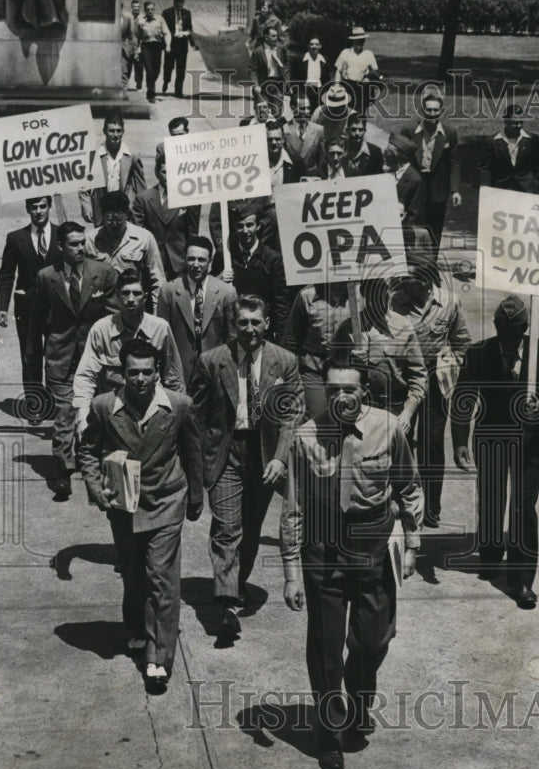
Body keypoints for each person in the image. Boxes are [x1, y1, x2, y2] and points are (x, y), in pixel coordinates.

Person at [281, 355, 423, 769]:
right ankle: (329, 735)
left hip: (373, 544)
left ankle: (358, 700)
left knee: (372, 641)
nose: (341, 396)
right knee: (326, 649)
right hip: (324, 548)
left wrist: (412, 542)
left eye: (349, 388)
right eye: (332, 389)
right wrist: (291, 573)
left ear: (365, 391)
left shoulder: (389, 426)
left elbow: (408, 483)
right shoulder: (306, 436)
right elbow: (294, 507)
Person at [79, 337, 204, 688]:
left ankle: (157, 659)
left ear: (158, 374)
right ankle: (136, 629)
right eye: (133, 372)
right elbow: (87, 450)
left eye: (147, 372)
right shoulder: (105, 406)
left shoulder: (178, 406)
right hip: (124, 505)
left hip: (167, 500)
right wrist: (94, 487)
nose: (140, 379)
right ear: (122, 373)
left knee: (161, 578)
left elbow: (193, 451)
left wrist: (196, 495)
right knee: (134, 576)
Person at [189, 295, 304, 641]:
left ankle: (236, 584)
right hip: (226, 452)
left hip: (264, 452)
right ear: (232, 324)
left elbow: (292, 415)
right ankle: (226, 604)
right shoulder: (212, 361)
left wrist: (279, 457)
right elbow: (196, 413)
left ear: (267, 324)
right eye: (243, 322)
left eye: (256, 322)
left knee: (251, 529)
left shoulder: (284, 361)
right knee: (227, 527)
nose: (249, 329)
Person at [451, 294, 539, 608]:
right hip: (490, 439)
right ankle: (490, 556)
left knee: (522, 508)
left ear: (525, 328)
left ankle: (521, 581)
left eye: (514, 333)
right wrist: (460, 441)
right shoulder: (479, 353)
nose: (507, 339)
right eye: (502, 331)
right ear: (496, 326)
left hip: (530, 443)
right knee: (491, 499)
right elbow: (463, 396)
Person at [27, 222, 117, 501]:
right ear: (60, 248)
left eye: (82, 243)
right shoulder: (46, 277)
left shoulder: (103, 272)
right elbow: (37, 320)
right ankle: (63, 471)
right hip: (61, 356)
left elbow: (116, 314)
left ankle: (104, 467)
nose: (81, 248)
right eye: (74, 244)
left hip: (96, 357)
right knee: (65, 416)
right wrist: (33, 355)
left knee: (99, 413)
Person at [387, 257, 471, 528]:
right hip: (405, 375)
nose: (402, 283)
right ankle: (404, 500)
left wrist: (452, 366)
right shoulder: (394, 300)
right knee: (401, 437)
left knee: (432, 441)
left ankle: (432, 506)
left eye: (408, 278)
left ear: (425, 282)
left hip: (436, 377)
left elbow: (461, 342)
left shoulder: (449, 302)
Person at [73, 267, 185, 436]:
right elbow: (85, 376)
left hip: (152, 409)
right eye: (125, 293)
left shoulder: (160, 328)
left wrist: (177, 417)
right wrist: (82, 418)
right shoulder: (101, 330)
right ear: (117, 297)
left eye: (136, 293)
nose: (131, 299)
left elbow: (173, 376)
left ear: (145, 297)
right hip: (113, 411)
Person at [332, 276, 427, 436]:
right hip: (359, 408)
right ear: (364, 293)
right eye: (374, 292)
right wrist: (349, 362)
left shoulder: (404, 326)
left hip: (395, 408)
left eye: (384, 291)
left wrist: (408, 412)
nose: (380, 298)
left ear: (390, 292)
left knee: (398, 459)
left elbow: (418, 376)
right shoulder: (348, 327)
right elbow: (332, 369)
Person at [0, 196, 61, 424]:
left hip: (57, 307)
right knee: (30, 356)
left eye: (43, 206)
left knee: (57, 355)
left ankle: (54, 402)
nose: (39, 211)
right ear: (27, 209)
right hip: (28, 307)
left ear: (49, 207)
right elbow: (6, 274)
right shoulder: (16, 238)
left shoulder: (62, 234)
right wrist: (2, 307)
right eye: (34, 207)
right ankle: (35, 405)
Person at [156, 237, 238, 386]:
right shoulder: (169, 291)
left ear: (210, 261)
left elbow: (231, 338)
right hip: (179, 374)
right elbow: (161, 338)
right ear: (184, 260)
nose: (196, 265)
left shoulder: (226, 292)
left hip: (215, 372)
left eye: (201, 260)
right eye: (191, 259)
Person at [398, 90, 462, 255]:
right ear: (422, 111)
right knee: (413, 225)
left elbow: (454, 162)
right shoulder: (409, 131)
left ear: (441, 112)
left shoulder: (449, 133)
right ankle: (412, 263)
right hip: (415, 185)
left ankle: (430, 264)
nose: (432, 114)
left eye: (436, 110)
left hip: (438, 187)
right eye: (429, 110)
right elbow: (401, 160)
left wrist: (455, 190)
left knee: (434, 228)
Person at [85, 190, 165, 314]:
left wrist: (157, 312)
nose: (114, 225)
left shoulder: (144, 238)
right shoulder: (90, 239)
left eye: (118, 220)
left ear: (127, 214)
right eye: (109, 220)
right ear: (102, 214)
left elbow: (157, 278)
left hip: (134, 306)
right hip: (102, 310)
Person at [132, 144, 202, 282]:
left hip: (179, 261)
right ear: (157, 173)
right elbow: (137, 233)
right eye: (164, 172)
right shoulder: (144, 198)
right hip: (153, 261)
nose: (168, 177)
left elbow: (192, 233)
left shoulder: (188, 197)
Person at [283, 282, 350, 418]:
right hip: (314, 369)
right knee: (317, 416)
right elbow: (292, 338)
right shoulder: (306, 295)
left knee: (346, 415)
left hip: (348, 369)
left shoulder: (358, 295)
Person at [227, 202, 290, 342]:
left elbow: (281, 303)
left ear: (258, 226)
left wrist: (280, 336)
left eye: (249, 225)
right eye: (240, 226)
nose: (245, 231)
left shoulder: (272, 259)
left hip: (261, 330)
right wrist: (220, 278)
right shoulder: (227, 256)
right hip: (234, 328)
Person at [79, 113, 146, 226]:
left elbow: (141, 188)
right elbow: (83, 186)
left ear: (123, 132)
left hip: (125, 212)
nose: (115, 135)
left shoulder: (132, 156)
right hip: (102, 211)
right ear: (104, 131)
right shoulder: (95, 155)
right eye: (111, 131)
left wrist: (140, 212)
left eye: (118, 131)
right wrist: (87, 207)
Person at [480, 104, 539, 193]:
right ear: (506, 121)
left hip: (527, 190)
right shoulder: (491, 142)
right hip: (501, 190)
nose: (519, 126)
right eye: (515, 123)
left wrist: (535, 182)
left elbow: (538, 164)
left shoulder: (532, 139)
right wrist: (486, 190)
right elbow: (486, 169)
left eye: (521, 122)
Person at [333, 27, 380, 114]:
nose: (359, 43)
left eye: (362, 40)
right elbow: (338, 71)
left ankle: (361, 126)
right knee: (346, 112)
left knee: (360, 113)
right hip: (348, 86)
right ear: (353, 41)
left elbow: (375, 72)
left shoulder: (368, 54)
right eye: (357, 41)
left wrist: (369, 78)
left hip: (362, 88)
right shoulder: (345, 53)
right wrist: (336, 86)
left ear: (364, 40)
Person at [383, 134, 422, 227]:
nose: (383, 154)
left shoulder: (414, 180)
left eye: (387, 152)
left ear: (397, 155)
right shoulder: (387, 174)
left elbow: (414, 216)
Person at [282, 94, 325, 175]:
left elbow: (321, 160)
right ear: (293, 108)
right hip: (291, 180)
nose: (307, 112)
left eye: (308, 108)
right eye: (303, 108)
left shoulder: (318, 129)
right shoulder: (284, 130)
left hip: (311, 179)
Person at [137, 0, 171, 103]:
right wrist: (137, 49)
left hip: (157, 47)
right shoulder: (140, 21)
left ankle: (150, 85)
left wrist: (168, 45)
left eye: (152, 9)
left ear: (154, 10)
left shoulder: (160, 20)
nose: (150, 11)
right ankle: (151, 93)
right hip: (146, 47)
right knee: (149, 70)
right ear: (145, 10)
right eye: (148, 10)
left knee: (156, 71)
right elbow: (137, 36)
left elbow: (167, 33)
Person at [161, 0, 195, 98]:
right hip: (171, 43)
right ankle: (166, 81)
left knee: (181, 68)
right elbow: (164, 29)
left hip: (182, 45)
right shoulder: (166, 13)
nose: (180, 6)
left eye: (182, 4)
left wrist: (193, 43)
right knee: (168, 66)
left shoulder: (187, 13)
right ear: (174, 3)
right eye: (178, 4)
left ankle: (178, 91)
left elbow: (189, 28)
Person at [248, 25, 288, 99]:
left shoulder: (281, 49)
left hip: (278, 84)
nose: (276, 38)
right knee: (263, 109)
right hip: (263, 85)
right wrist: (256, 85)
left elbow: (287, 64)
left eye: (276, 36)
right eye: (273, 36)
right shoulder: (258, 52)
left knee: (277, 109)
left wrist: (288, 81)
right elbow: (253, 70)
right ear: (266, 37)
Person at [294, 36, 331, 112]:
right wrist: (296, 93)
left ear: (320, 46)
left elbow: (327, 78)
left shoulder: (324, 60)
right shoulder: (300, 59)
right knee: (305, 113)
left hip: (319, 90)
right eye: (312, 44)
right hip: (305, 90)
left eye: (316, 44)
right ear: (308, 46)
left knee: (318, 112)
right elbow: (294, 77)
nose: (314, 46)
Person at [344, 114, 384, 178]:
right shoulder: (340, 149)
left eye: (360, 130)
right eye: (353, 129)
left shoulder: (375, 152)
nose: (357, 133)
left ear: (365, 131)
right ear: (347, 130)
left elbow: (379, 178)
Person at [120, 0, 144, 91]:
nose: (136, 9)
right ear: (131, 8)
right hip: (128, 46)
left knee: (138, 67)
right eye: (134, 7)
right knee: (127, 66)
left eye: (138, 7)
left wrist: (139, 46)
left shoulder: (142, 19)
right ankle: (125, 85)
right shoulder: (128, 17)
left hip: (139, 45)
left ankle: (138, 85)